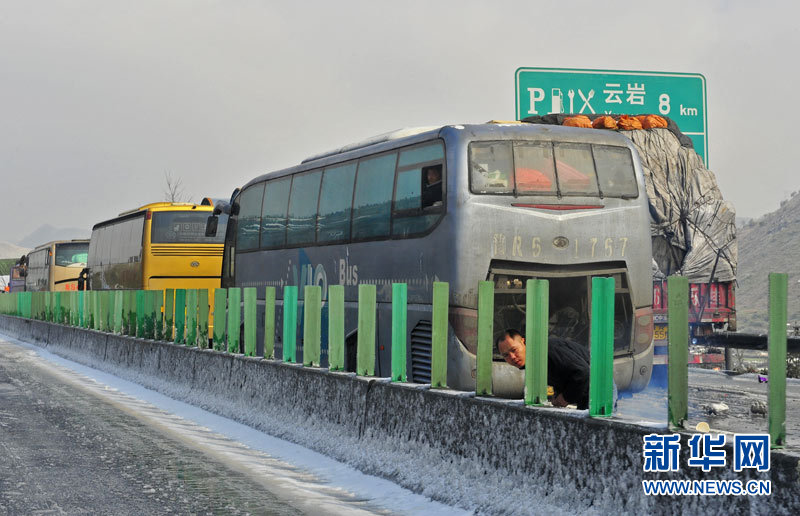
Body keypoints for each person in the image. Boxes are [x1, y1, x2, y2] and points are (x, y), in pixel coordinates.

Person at [496, 329, 590, 410]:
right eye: (506, 355)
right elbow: (564, 374)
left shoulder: (546, 350)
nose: (512, 357)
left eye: (514, 350)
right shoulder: (535, 358)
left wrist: (565, 398)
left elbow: (583, 372)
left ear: (523, 342)